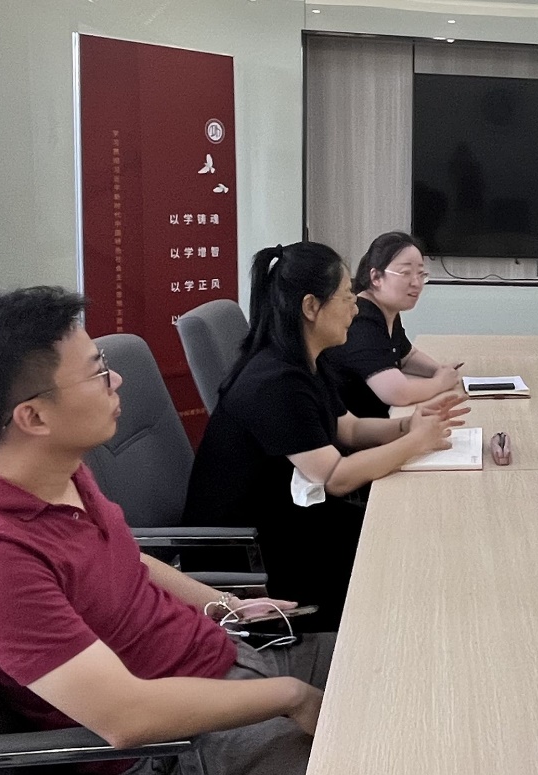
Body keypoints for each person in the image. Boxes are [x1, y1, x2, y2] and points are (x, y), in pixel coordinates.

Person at [0, 286, 333, 775]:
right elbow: (128, 717)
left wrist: (227, 605)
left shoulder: (61, 471)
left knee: (408, 665)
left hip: (230, 658)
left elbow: (129, 561)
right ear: (34, 417)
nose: (116, 380)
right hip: (180, 751)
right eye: (98, 372)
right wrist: (290, 696)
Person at [185, 242, 467, 630]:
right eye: (347, 297)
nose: (355, 309)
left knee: (414, 535)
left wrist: (408, 425)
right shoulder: (275, 382)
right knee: (405, 557)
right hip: (256, 553)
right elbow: (335, 477)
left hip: (290, 517)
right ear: (311, 307)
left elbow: (347, 428)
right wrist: (414, 442)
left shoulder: (303, 361)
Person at [319, 231, 461, 418]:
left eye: (421, 274)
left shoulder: (387, 310)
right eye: (406, 273)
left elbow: (407, 357)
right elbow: (397, 393)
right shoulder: (361, 320)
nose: (416, 283)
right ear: (376, 277)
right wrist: (440, 382)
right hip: (356, 430)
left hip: (379, 422)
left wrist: (439, 370)